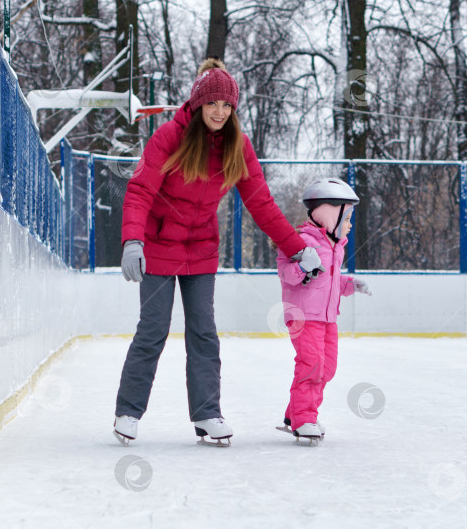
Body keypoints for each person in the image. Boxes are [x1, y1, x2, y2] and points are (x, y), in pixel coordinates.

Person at [113, 58, 325, 447]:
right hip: (158, 246)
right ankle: (128, 411)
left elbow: (261, 203)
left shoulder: (237, 147)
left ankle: (208, 414)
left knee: (204, 334)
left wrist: (298, 249)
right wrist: (133, 241)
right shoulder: (169, 138)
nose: (220, 112)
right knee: (153, 330)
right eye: (213, 104)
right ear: (197, 104)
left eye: (227, 106)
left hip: (201, 251)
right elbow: (140, 190)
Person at [275, 177, 372, 444]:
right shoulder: (300, 241)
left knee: (327, 368)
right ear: (331, 214)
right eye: (347, 217)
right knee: (312, 365)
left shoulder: (335, 247)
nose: (350, 225)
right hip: (303, 316)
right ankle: (304, 418)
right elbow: (287, 275)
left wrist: (351, 284)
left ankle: (295, 412)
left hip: (328, 317)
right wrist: (304, 265)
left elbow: (329, 283)